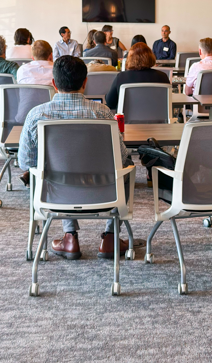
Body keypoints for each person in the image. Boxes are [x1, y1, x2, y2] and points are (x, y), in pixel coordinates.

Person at [18, 55, 131, 260]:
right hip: (102, 195)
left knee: (46, 171)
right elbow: (122, 159)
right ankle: (110, 237)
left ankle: (69, 236)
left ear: (53, 83)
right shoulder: (103, 113)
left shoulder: (36, 115)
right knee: (127, 168)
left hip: (54, 197)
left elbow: (25, 161)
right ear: (85, 82)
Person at [104, 42, 171, 110]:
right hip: (159, 119)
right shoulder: (162, 77)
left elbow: (110, 102)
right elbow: (168, 102)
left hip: (127, 120)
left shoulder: (121, 77)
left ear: (129, 59)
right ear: (151, 57)